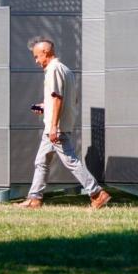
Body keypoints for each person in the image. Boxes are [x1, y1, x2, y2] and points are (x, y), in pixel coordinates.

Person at [18, 36, 111, 210]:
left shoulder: (53, 69)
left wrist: (54, 126)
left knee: (71, 162)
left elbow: (59, 99)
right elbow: (69, 100)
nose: (37, 61)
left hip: (56, 127)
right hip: (56, 125)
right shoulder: (65, 70)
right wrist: (45, 107)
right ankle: (34, 198)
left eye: (37, 56)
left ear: (46, 52)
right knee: (41, 161)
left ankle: (97, 193)